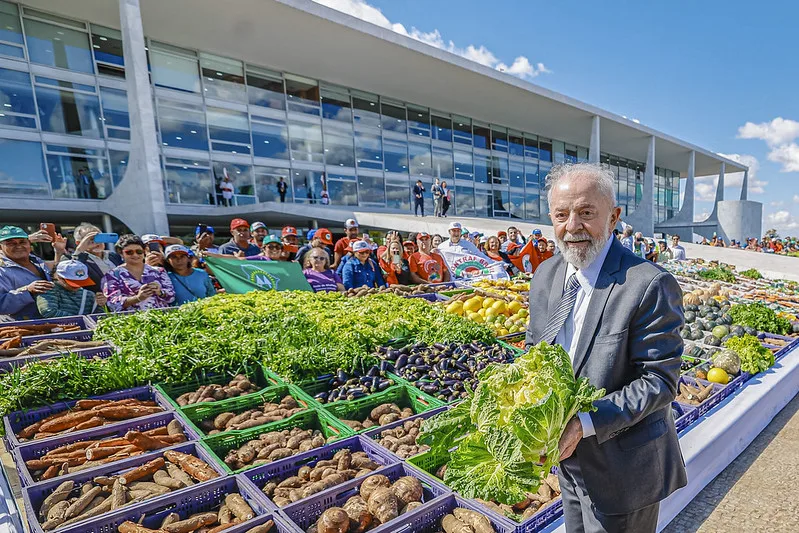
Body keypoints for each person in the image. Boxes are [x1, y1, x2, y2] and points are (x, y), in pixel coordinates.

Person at [525, 163, 685, 533]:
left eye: (586, 213)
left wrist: (583, 424)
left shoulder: (648, 284)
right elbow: (536, 350)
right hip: (565, 460)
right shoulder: (546, 274)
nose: (573, 226)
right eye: (561, 215)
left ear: (613, 217)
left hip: (623, 471)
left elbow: (660, 381)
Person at [102, 235, 175, 311]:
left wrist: (160, 292)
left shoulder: (159, 271)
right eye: (129, 252)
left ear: (144, 252)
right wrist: (137, 298)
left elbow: (171, 297)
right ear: (121, 253)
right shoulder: (113, 275)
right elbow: (112, 303)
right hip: (131, 320)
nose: (135, 255)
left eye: (139, 251)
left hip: (160, 318)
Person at [0, 226, 54, 320]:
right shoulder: (2, 270)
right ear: (1, 247)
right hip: (21, 328)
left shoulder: (37, 261)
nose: (18, 246)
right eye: (11, 243)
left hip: (51, 321)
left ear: (29, 244)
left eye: (22, 242)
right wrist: (28, 291)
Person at [37, 260, 107, 317]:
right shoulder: (48, 289)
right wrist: (80, 320)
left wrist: (101, 305)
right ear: (58, 277)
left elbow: (100, 317)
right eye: (72, 281)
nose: (77, 285)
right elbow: (48, 312)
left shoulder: (89, 295)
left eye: (81, 281)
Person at [69, 223, 123, 292]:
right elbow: (72, 273)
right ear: (79, 243)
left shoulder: (114, 256)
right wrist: (79, 250)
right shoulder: (79, 260)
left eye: (98, 238)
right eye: (91, 239)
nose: (96, 242)